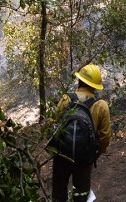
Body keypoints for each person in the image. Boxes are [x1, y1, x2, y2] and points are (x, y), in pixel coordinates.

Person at [50, 64, 112, 202]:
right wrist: (96, 154)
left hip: (62, 154)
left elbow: (53, 124)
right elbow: (105, 137)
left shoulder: (66, 99)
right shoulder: (101, 105)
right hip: (85, 155)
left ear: (79, 81)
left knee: (58, 194)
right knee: (81, 195)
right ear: (95, 86)